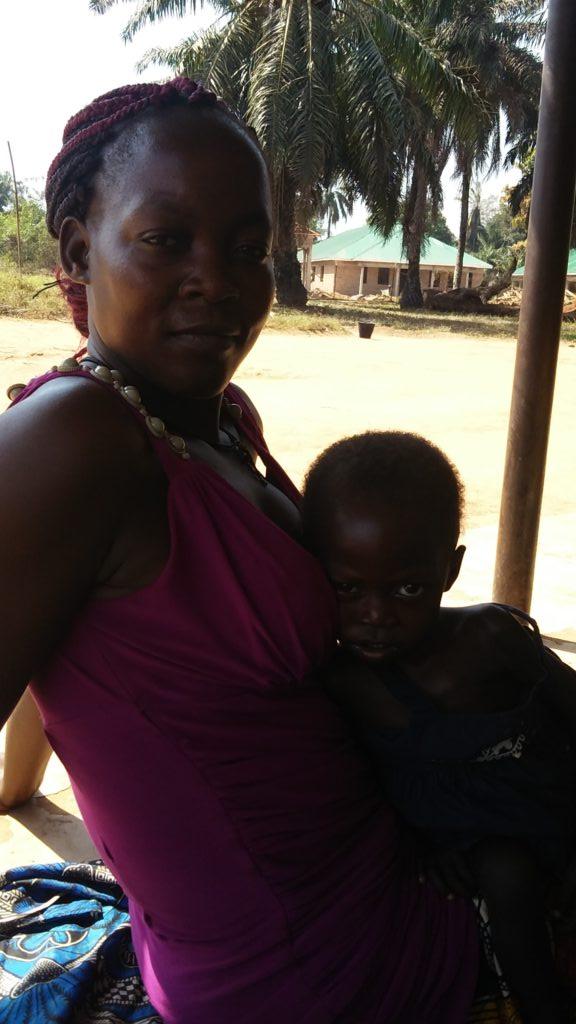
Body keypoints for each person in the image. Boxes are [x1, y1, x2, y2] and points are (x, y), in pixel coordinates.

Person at [0, 79, 478, 1023]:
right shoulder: (73, 437)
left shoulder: (210, 418)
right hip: (306, 975)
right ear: (74, 249)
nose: (218, 280)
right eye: (167, 239)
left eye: (250, 248)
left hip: (373, 888)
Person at [302, 429, 576, 1023]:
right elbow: (356, 790)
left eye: (408, 588)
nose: (376, 616)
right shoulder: (341, 680)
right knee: (507, 872)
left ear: (449, 570)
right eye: (348, 588)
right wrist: (421, 847)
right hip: (464, 846)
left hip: (550, 808)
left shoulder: (491, 638)